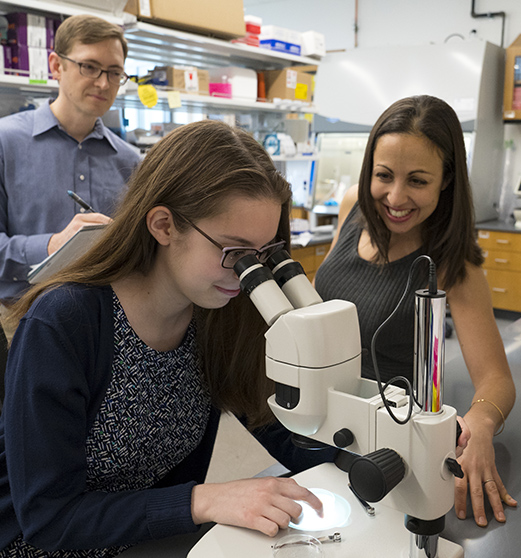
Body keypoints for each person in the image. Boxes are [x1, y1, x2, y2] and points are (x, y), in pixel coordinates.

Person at [0, 119, 336, 556]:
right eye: (234, 253)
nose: (249, 274)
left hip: (144, 542)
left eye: (262, 254)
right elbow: (49, 518)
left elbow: (273, 423)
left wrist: (371, 451)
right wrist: (204, 498)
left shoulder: (218, 312)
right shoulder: (65, 323)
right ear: (163, 226)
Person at [315, 95, 517, 529]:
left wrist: (480, 425)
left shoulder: (450, 262)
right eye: (383, 175)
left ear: (446, 180)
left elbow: (496, 379)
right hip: (320, 417)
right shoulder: (353, 205)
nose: (396, 197)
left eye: (418, 181)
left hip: (390, 437)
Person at [0, 14, 140, 304]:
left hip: (105, 318)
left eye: (114, 72)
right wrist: (53, 245)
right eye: (89, 67)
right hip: (23, 317)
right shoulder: (5, 142)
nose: (103, 83)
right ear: (56, 66)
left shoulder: (129, 160)